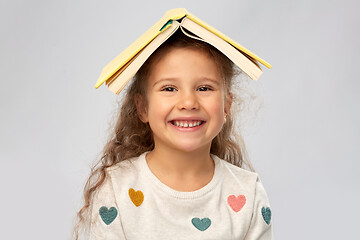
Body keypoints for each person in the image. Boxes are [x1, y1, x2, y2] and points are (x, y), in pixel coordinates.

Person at [73, 30, 273, 239]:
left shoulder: (249, 192)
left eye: (204, 88)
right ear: (142, 108)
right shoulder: (116, 189)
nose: (188, 103)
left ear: (226, 107)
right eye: (169, 88)